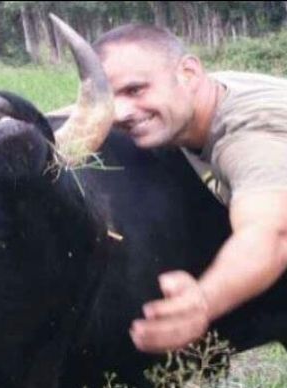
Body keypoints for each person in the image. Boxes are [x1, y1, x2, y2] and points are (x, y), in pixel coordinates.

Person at [91, 24, 287, 353]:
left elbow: (272, 234)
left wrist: (203, 301)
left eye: (135, 90)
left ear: (189, 73)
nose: (121, 112)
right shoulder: (193, 94)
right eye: (110, 99)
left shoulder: (250, 134)